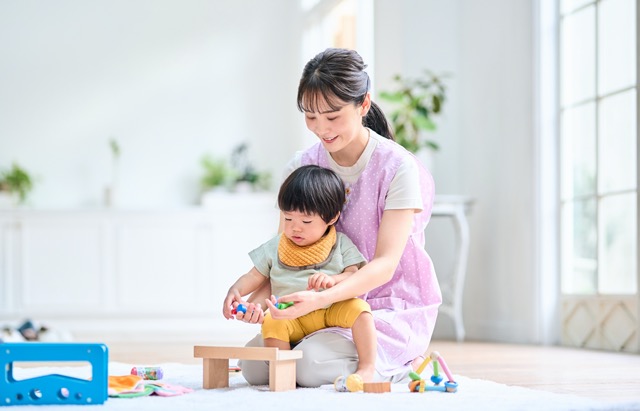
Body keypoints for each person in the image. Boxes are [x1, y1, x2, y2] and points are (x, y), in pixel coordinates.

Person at [235, 47, 442, 387]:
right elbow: (286, 252)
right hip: (313, 306)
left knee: (310, 366)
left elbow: (385, 264)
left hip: (383, 304)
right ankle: (326, 344)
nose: (321, 129)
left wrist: (321, 298)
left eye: (332, 117)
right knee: (255, 367)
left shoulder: (398, 167)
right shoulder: (301, 166)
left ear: (363, 105)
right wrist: (257, 301)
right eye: (311, 116)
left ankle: (408, 359)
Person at [223, 164, 377, 382]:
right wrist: (235, 291)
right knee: (271, 320)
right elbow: (253, 277)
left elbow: (353, 275)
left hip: (329, 311)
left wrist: (333, 279)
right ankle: (283, 374)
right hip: (289, 316)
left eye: (306, 221)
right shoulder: (276, 246)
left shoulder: (340, 243)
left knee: (361, 309)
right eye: (288, 219)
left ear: (332, 218)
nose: (295, 228)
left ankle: (368, 367)